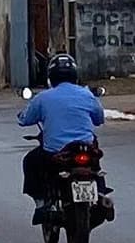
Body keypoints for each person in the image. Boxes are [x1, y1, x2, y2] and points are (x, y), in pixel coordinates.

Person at [17, 59, 106, 203]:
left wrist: (22, 115)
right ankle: (101, 192)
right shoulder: (87, 94)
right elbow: (99, 119)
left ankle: (40, 202)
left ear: (51, 77)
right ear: (74, 75)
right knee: (95, 163)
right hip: (85, 148)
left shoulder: (43, 97)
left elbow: (24, 119)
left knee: (30, 161)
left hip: (55, 152)